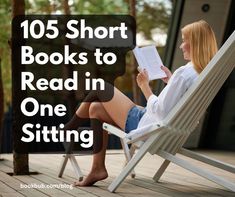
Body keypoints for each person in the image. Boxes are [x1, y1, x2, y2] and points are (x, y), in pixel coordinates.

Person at [64, 20, 218, 186]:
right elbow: (175, 105)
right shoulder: (200, 73)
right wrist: (171, 81)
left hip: (146, 126)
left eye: (184, 41)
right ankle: (97, 169)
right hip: (161, 126)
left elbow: (160, 110)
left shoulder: (184, 73)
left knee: (100, 87)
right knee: (95, 108)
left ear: (195, 43)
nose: (181, 46)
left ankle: (68, 128)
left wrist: (145, 87)